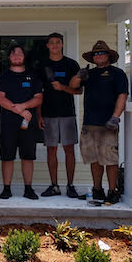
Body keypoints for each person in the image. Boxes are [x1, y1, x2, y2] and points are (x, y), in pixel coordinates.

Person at [69, 40, 128, 204]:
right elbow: (74, 87)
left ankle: (112, 191)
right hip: (90, 123)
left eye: (101, 53)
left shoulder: (117, 73)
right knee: (94, 159)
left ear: (108, 55)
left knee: (110, 159)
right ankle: (97, 190)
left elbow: (122, 95)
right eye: (95, 54)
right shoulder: (90, 74)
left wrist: (115, 117)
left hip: (108, 123)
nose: (98, 56)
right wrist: (79, 75)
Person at [0, 44, 43, 200]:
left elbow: (38, 98)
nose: (17, 56)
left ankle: (28, 188)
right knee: (7, 156)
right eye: (13, 53)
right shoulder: (3, 77)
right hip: (8, 123)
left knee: (28, 156)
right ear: (9, 57)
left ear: (24, 57)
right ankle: (6, 188)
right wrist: (20, 110)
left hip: (28, 122)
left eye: (20, 53)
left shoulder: (33, 76)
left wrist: (24, 106)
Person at [37, 33, 82, 199]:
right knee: (51, 150)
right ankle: (54, 185)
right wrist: (39, 115)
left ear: (62, 44)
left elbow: (79, 90)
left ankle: (70, 185)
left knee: (69, 150)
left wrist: (63, 88)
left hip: (67, 113)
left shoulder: (71, 64)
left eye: (58, 42)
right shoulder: (42, 65)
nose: (55, 45)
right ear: (48, 45)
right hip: (48, 114)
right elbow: (38, 93)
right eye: (51, 43)